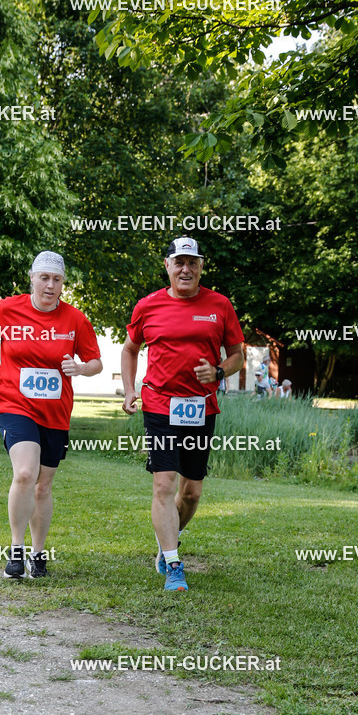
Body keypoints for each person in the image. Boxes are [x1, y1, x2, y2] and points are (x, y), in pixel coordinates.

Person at [121, 237, 244, 592]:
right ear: (168, 266)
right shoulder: (148, 306)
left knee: (191, 494)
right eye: (179, 262)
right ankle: (174, 565)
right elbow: (130, 349)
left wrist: (218, 371)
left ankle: (167, 541)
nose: (186, 269)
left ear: (201, 267)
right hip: (160, 404)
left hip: (200, 407)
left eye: (192, 262)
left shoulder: (220, 305)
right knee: (164, 485)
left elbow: (237, 355)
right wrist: (129, 390)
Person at [0, 251, 102, 579]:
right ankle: (16, 551)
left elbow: (96, 362)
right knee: (25, 473)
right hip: (14, 404)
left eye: (56, 279)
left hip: (55, 411)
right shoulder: (9, 309)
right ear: (32, 278)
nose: (50, 285)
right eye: (44, 278)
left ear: (62, 283)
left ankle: (38, 553)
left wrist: (80, 368)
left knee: (43, 486)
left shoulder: (75, 320)